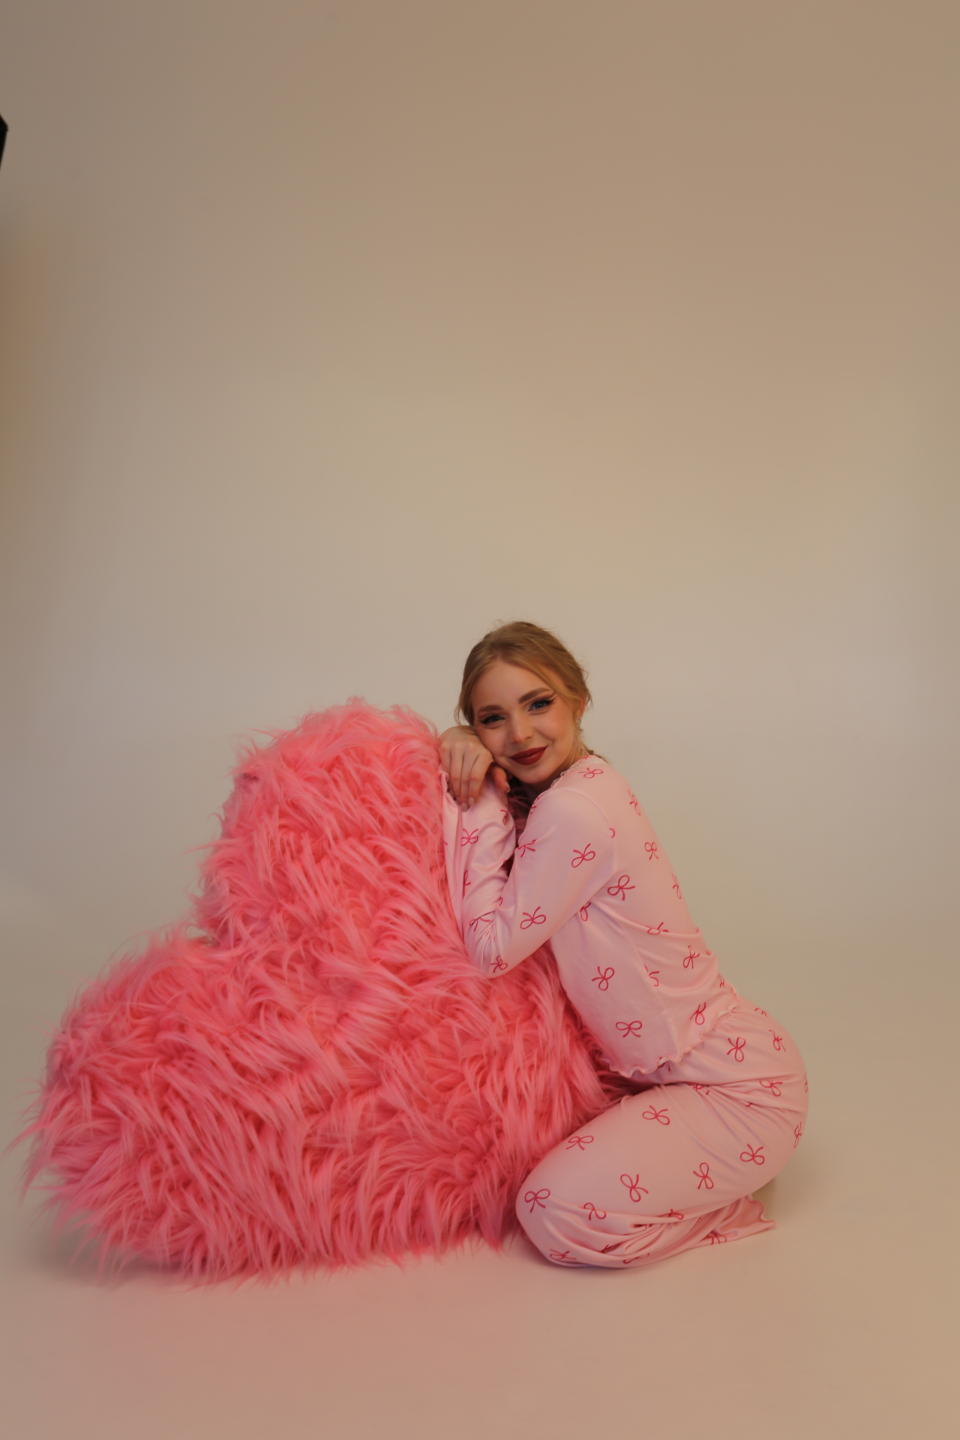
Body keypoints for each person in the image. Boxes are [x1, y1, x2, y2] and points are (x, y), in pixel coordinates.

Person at [437, 620, 809, 1269]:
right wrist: (457, 741)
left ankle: (726, 1207)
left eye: (538, 703)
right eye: (493, 719)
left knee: (551, 1213)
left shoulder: (573, 810)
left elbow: (490, 950)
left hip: (738, 1093)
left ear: (578, 699)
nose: (519, 733)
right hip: (697, 1079)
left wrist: (479, 800)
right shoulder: (584, 782)